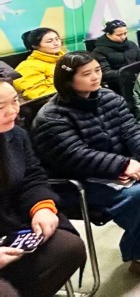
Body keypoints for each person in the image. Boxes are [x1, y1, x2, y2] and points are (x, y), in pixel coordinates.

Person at [32, 53, 140, 277]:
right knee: (136, 194)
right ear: (68, 80)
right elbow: (75, 156)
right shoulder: (52, 116)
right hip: (78, 181)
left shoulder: (108, 96)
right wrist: (122, 165)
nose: (95, 77)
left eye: (97, 70)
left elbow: (131, 129)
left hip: (113, 169)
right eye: (86, 74)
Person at [0, 80, 87, 297]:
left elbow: (31, 176)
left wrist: (42, 207)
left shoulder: (15, 135)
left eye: (15, 101)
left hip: (9, 224)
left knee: (68, 248)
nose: (13, 111)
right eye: (1, 107)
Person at [91, 20, 140, 93]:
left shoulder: (131, 45)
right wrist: (127, 73)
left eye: (125, 33)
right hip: (116, 84)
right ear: (108, 34)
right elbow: (105, 72)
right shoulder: (99, 51)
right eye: (119, 35)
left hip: (136, 79)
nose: (123, 37)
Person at [13, 28, 65, 100]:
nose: (56, 43)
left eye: (57, 39)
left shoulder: (67, 58)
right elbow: (38, 96)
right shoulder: (28, 67)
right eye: (49, 41)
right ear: (35, 46)